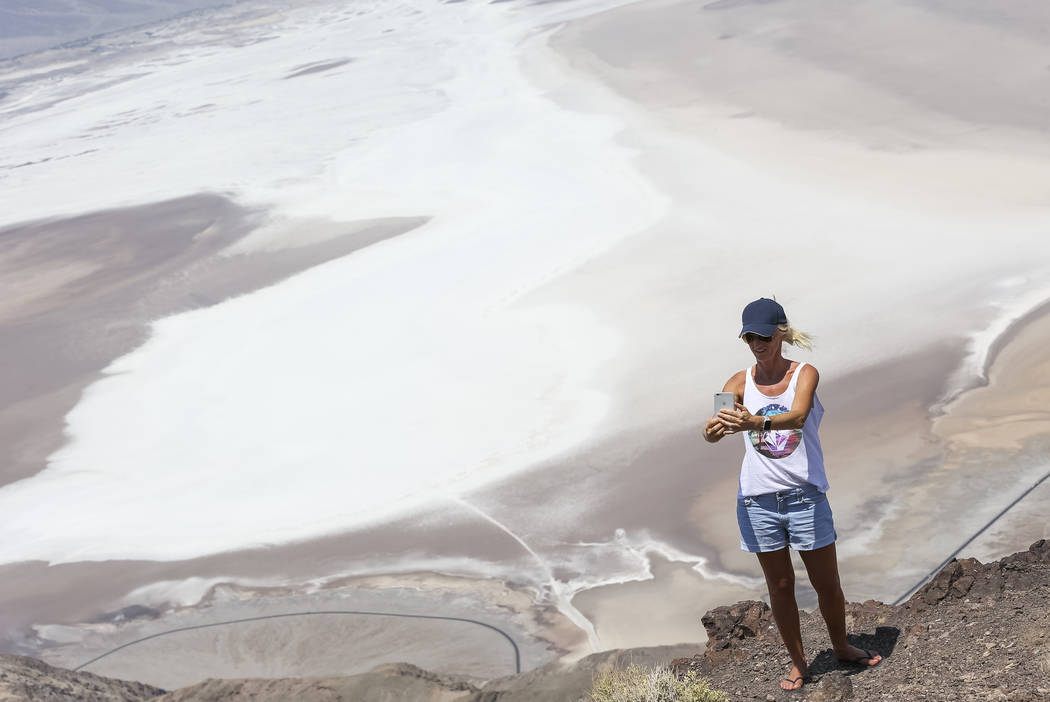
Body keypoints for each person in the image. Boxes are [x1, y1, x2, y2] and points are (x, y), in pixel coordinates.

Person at [703, 297, 881, 692]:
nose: (756, 343)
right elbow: (717, 422)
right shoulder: (737, 382)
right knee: (780, 587)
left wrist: (756, 421)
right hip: (757, 501)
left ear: (780, 332)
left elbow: (798, 415)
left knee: (826, 583)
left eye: (763, 335)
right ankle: (799, 664)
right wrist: (713, 429)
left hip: (804, 496)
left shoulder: (805, 374)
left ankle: (841, 646)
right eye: (749, 336)